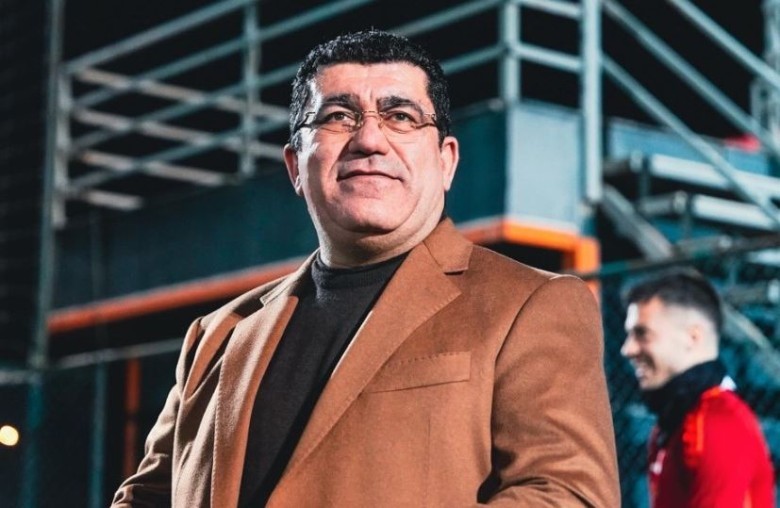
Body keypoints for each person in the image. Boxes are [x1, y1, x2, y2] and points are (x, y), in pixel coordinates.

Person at [112, 29, 619, 507]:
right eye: (339, 116)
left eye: (401, 117)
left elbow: (567, 496)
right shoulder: (217, 335)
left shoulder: (530, 306)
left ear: (446, 161)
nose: (370, 140)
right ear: (295, 166)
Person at [621, 269, 775, 507]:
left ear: (692, 337)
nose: (627, 349)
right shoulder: (675, 424)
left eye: (642, 334)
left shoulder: (717, 423)